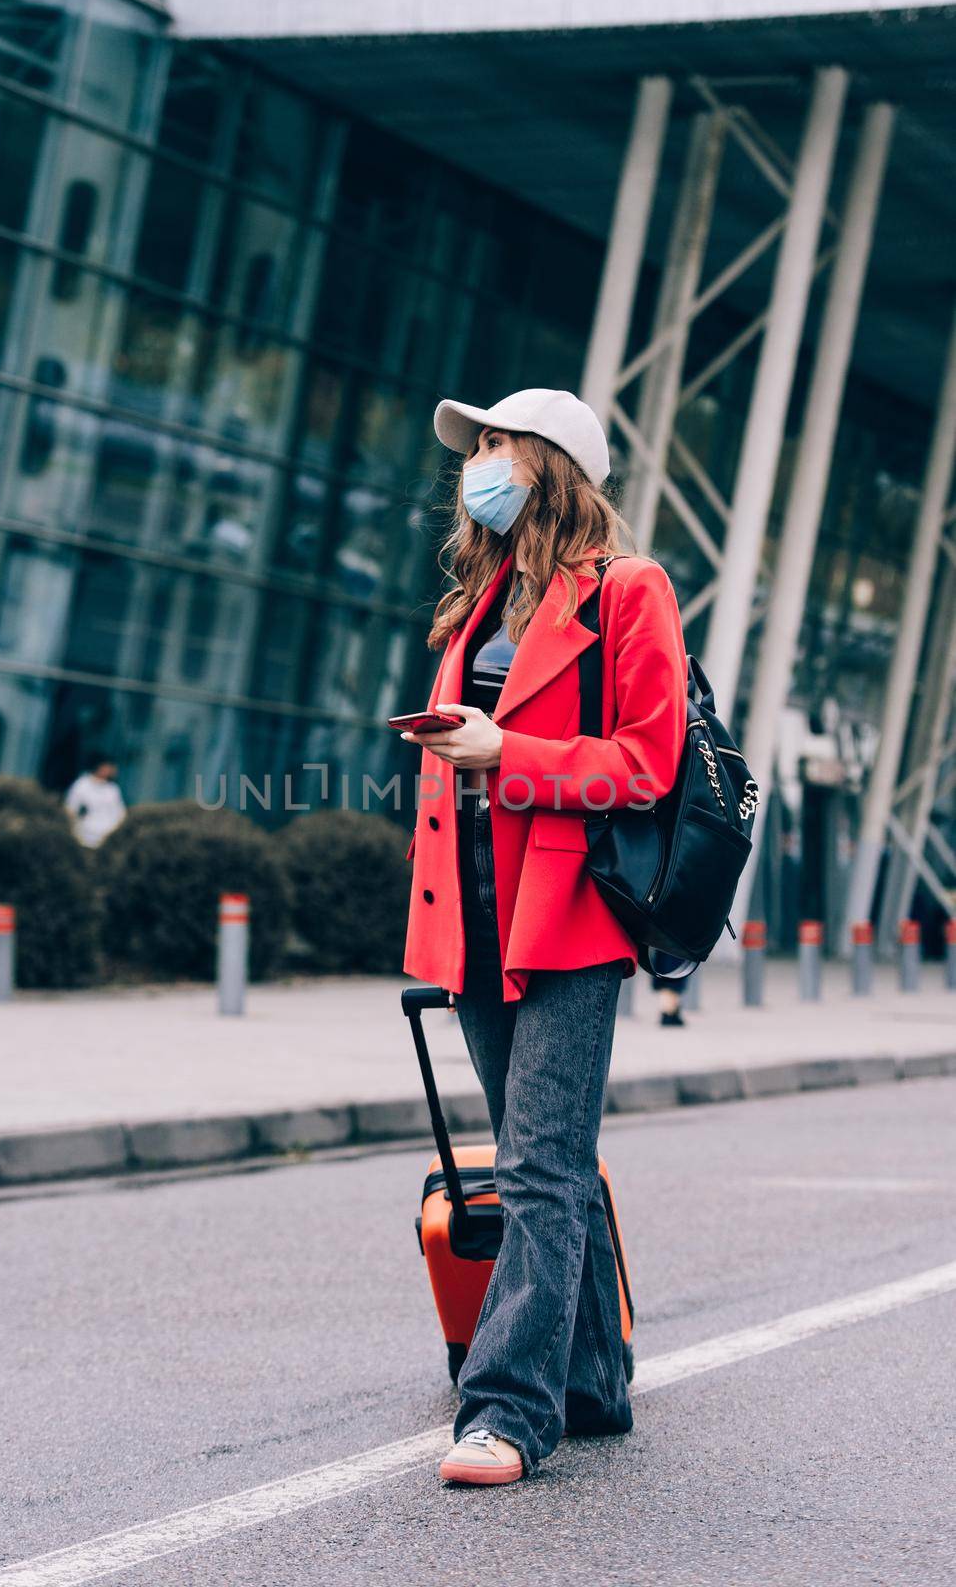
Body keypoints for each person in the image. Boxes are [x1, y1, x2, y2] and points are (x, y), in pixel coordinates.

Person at [400, 387, 688, 1486]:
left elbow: (646, 764)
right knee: (546, 1166)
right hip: (471, 914)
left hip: (566, 918)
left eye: (495, 442)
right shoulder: (484, 599)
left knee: (536, 1164)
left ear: (552, 462)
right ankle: (596, 1384)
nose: (477, 460)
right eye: (475, 445)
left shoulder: (629, 591)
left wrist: (501, 754)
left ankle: (508, 1412)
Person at [64, 753, 126, 849]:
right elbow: (71, 809)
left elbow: (119, 813)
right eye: (107, 766)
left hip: (106, 839)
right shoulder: (82, 784)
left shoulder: (112, 789)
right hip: (84, 837)